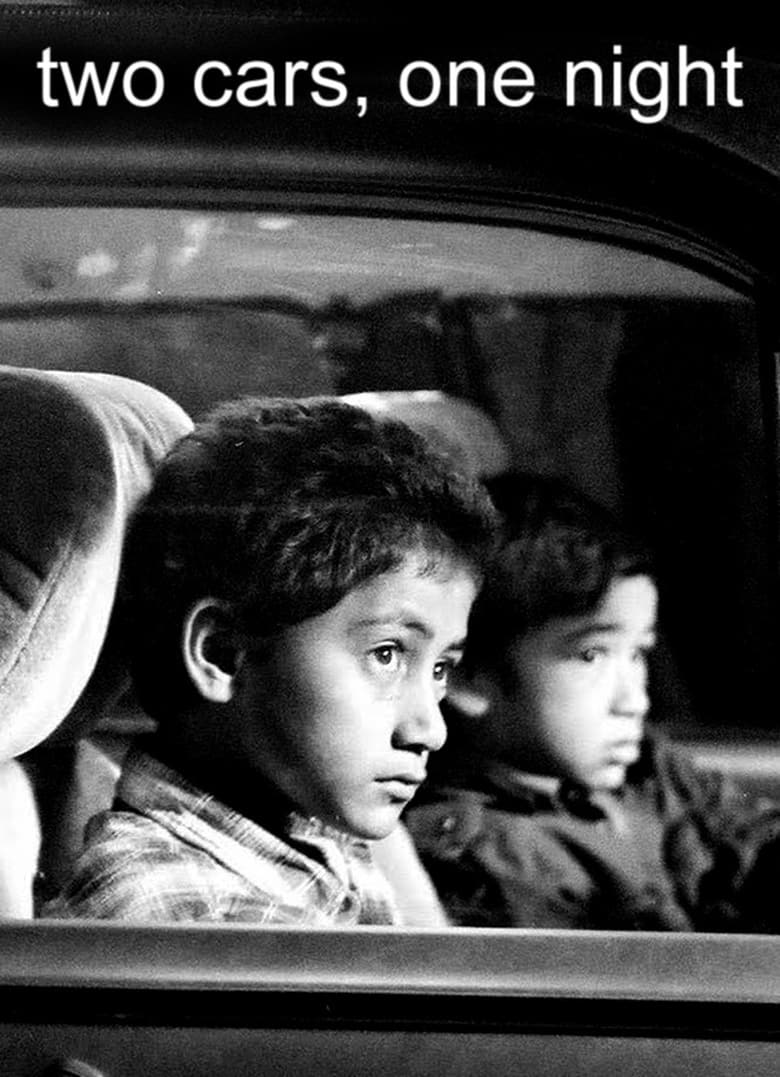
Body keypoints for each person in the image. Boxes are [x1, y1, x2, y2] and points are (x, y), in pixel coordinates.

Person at [45, 397, 497, 925]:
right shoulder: (192, 918)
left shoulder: (315, 838)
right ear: (222, 654)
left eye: (440, 669)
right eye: (387, 654)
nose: (430, 731)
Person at [405, 473, 780, 931]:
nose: (634, 701)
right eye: (591, 655)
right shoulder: (486, 854)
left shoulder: (651, 771)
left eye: (638, 654)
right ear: (470, 678)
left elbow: (748, 833)